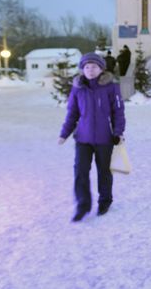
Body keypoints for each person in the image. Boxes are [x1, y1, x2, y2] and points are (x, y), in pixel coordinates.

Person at [58, 52, 126, 222]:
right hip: (83, 138)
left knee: (104, 171)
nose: (90, 70)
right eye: (86, 67)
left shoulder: (111, 87)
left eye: (94, 67)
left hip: (105, 138)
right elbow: (72, 113)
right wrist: (64, 133)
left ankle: (105, 201)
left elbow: (118, 111)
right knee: (80, 171)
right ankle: (82, 205)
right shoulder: (78, 88)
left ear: (101, 68)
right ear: (82, 69)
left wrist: (118, 132)